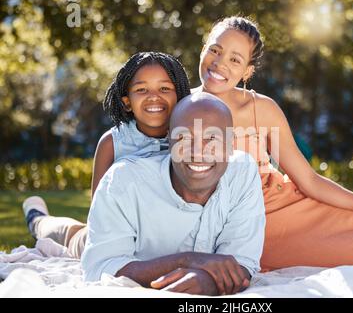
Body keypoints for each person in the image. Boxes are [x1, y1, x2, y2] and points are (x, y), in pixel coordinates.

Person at [192, 16, 353, 270]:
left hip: (288, 206)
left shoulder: (260, 108)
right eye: (215, 50)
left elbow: (308, 180)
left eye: (235, 59)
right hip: (254, 227)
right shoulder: (178, 106)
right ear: (204, 49)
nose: (220, 63)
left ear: (247, 71)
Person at [80, 92, 265, 296]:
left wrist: (209, 282)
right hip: (98, 236)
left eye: (212, 138)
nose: (197, 151)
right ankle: (38, 220)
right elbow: (98, 268)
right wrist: (185, 260)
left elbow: (242, 262)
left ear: (230, 142)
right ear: (169, 139)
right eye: (184, 137)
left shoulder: (243, 172)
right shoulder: (123, 181)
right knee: (72, 237)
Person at [22, 51, 191, 258]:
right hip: (109, 237)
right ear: (127, 101)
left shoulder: (190, 137)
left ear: (179, 95)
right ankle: (36, 218)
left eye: (164, 88)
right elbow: (98, 215)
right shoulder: (112, 142)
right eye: (141, 89)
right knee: (67, 234)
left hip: (163, 239)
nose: (153, 96)